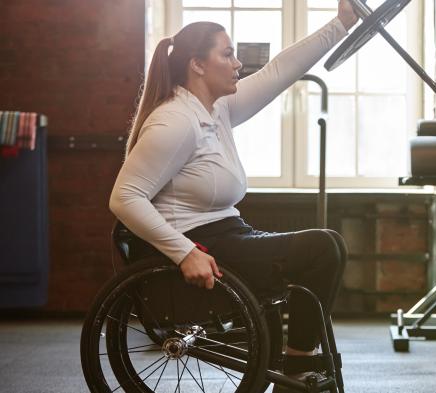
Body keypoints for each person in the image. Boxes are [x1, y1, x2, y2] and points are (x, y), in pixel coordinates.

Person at [108, 0, 359, 386]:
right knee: (324, 248)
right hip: (199, 245)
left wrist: (340, 24)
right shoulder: (175, 121)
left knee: (326, 250)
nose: (238, 64)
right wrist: (184, 252)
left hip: (228, 234)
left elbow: (280, 70)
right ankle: (296, 367)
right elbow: (124, 198)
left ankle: (295, 362)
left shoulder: (217, 108)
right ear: (197, 64)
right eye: (227, 54)